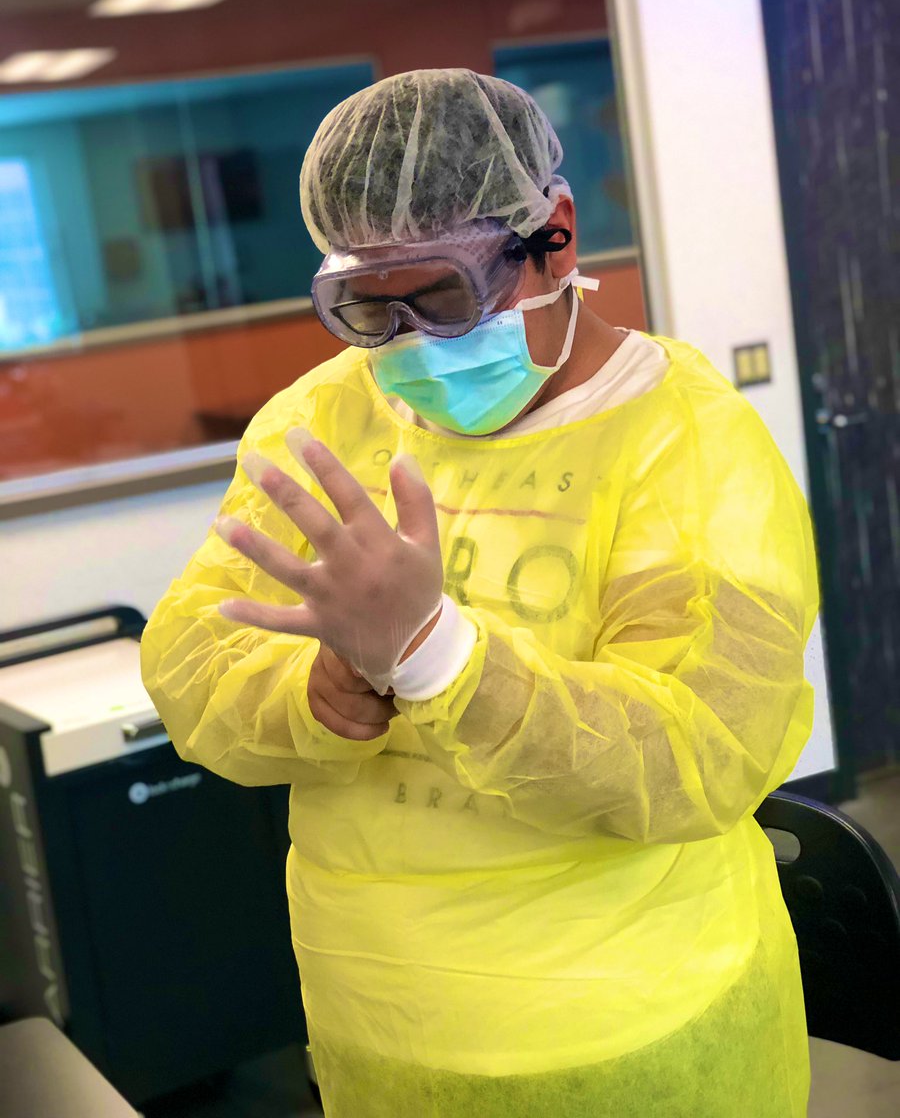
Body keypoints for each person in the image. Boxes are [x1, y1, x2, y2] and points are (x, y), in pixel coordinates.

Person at [141, 68, 819, 1116]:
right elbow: (193, 663)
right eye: (370, 308)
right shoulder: (322, 420)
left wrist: (435, 656)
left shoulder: (687, 441)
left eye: (446, 293)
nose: (412, 343)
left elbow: (700, 755)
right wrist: (315, 693)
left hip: (631, 1034)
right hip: (381, 1032)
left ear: (554, 231)